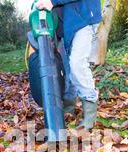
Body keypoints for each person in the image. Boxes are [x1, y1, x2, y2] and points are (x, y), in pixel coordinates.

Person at [36, 0, 102, 130]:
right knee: (66, 68)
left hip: (83, 17)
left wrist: (52, 1)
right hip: (65, 25)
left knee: (77, 64)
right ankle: (68, 108)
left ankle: (90, 115)